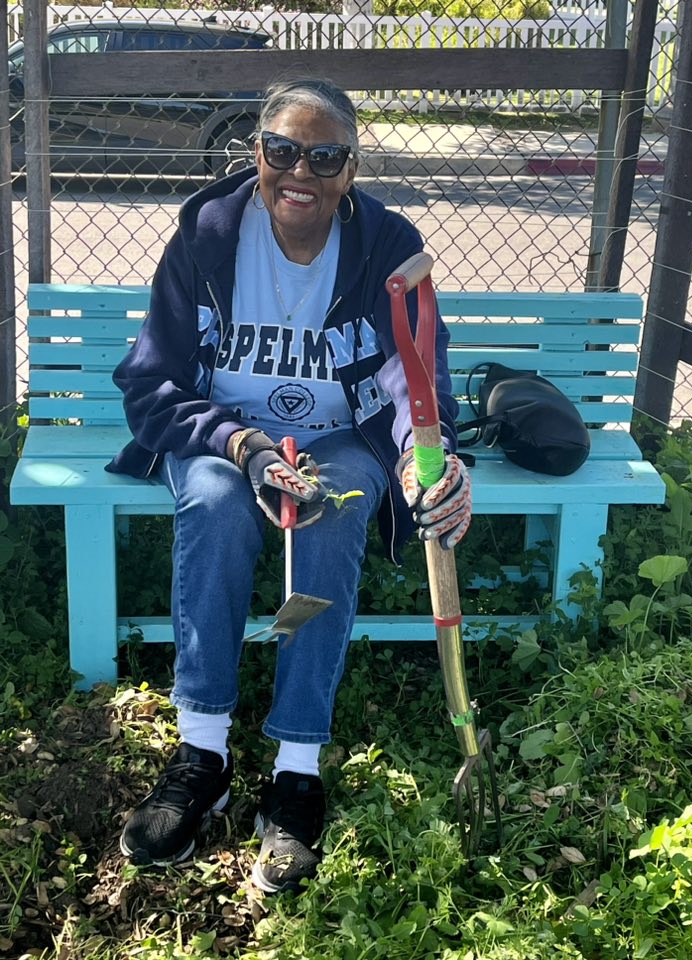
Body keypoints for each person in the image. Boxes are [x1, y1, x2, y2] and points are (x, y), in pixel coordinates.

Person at [107, 77, 472, 893]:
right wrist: (239, 444)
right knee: (213, 504)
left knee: (333, 513)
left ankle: (297, 770)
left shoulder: (387, 244)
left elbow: (417, 379)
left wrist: (430, 458)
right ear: (257, 153)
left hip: (340, 439)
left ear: (351, 169)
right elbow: (150, 383)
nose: (300, 172)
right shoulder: (205, 237)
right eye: (283, 150)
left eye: (325, 157)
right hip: (222, 430)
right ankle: (202, 754)